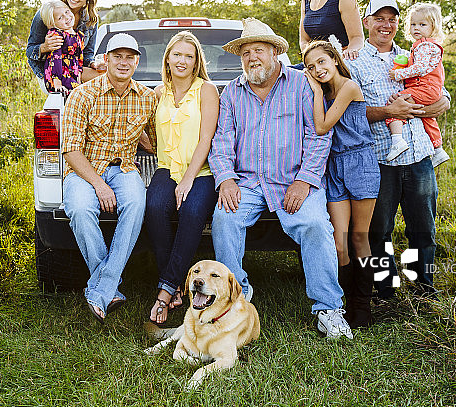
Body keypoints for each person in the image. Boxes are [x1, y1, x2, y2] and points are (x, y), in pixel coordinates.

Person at [209, 17, 353, 339]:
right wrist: (226, 179)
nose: (252, 58)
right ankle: (236, 302)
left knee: (316, 224)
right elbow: (221, 141)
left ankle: (328, 309)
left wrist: (305, 180)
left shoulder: (301, 84)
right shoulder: (231, 92)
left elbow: (318, 136)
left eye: (258, 50)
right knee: (224, 219)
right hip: (246, 182)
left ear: (275, 52)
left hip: (293, 180)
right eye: (245, 53)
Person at [346, 0, 451, 299]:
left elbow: (440, 91)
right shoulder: (353, 61)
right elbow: (351, 113)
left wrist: (441, 104)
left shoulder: (415, 53)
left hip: (418, 155)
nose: (386, 24)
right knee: (379, 231)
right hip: (379, 159)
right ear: (366, 22)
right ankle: (385, 288)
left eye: (391, 19)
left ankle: (423, 287)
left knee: (423, 229)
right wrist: (388, 112)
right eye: (379, 18)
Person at [61, 33, 157, 322]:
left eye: (130, 57)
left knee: (137, 204)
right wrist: (99, 185)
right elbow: (70, 150)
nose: (123, 62)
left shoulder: (148, 98)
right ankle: (109, 287)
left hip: (125, 168)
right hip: (84, 169)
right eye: (117, 56)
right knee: (79, 208)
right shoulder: (82, 95)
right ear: (106, 60)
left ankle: (102, 288)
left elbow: (156, 142)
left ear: (137, 62)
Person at [144, 31, 220, 325]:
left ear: (196, 61)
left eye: (189, 56)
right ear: (168, 59)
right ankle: (175, 283)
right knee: (154, 208)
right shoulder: (157, 92)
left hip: (200, 171)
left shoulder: (207, 90)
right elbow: (137, 121)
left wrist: (188, 179)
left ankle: (165, 291)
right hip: (166, 169)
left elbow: (206, 138)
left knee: (190, 212)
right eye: (177, 54)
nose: (182, 60)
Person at [303, 40, 380, 328]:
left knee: (360, 238)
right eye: (311, 67)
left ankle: (363, 306)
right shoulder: (323, 93)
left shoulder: (348, 87)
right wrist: (315, 90)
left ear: (334, 59)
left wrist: (313, 89)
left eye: (322, 62)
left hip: (360, 163)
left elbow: (322, 126)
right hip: (334, 165)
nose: (317, 69)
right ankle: (342, 303)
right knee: (338, 243)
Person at [385, 2, 450, 167]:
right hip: (431, 89)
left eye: (422, 24)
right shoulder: (422, 46)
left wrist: (399, 73)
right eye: (413, 24)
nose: (416, 28)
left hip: (425, 87)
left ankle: (397, 140)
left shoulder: (425, 46)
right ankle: (438, 149)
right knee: (428, 117)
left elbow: (420, 68)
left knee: (397, 104)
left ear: (433, 27)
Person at [26, 0, 103, 84]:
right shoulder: (48, 12)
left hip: (75, 70)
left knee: (109, 78)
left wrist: (94, 64)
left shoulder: (90, 20)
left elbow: (87, 55)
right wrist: (44, 47)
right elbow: (29, 51)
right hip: (51, 73)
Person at [38, 0, 83, 94]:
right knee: (80, 93)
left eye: (67, 12)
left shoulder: (79, 35)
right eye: (60, 18)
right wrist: (57, 83)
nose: (67, 17)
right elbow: (56, 59)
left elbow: (79, 58)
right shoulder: (57, 35)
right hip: (59, 75)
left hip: (72, 74)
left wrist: (78, 77)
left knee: (81, 92)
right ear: (52, 24)